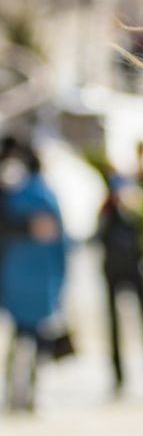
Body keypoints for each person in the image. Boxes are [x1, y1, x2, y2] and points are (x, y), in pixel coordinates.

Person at [88, 140, 143, 396]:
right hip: (111, 263)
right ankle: (118, 380)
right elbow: (91, 156)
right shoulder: (110, 185)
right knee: (112, 325)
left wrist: (137, 202)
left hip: (137, 264)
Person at [0, 136, 67, 412]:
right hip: (36, 281)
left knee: (21, 338)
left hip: (18, 279)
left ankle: (17, 393)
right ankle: (28, 394)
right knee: (34, 339)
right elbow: (60, 247)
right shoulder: (45, 197)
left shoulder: (14, 197)